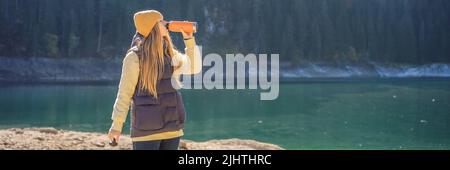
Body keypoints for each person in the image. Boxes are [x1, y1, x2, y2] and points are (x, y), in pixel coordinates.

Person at [107, 10, 202, 150]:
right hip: (146, 133)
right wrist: (116, 126)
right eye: (161, 21)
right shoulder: (134, 58)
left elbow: (194, 68)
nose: (166, 23)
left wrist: (189, 40)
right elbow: (124, 94)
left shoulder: (169, 53)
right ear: (152, 27)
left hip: (172, 130)